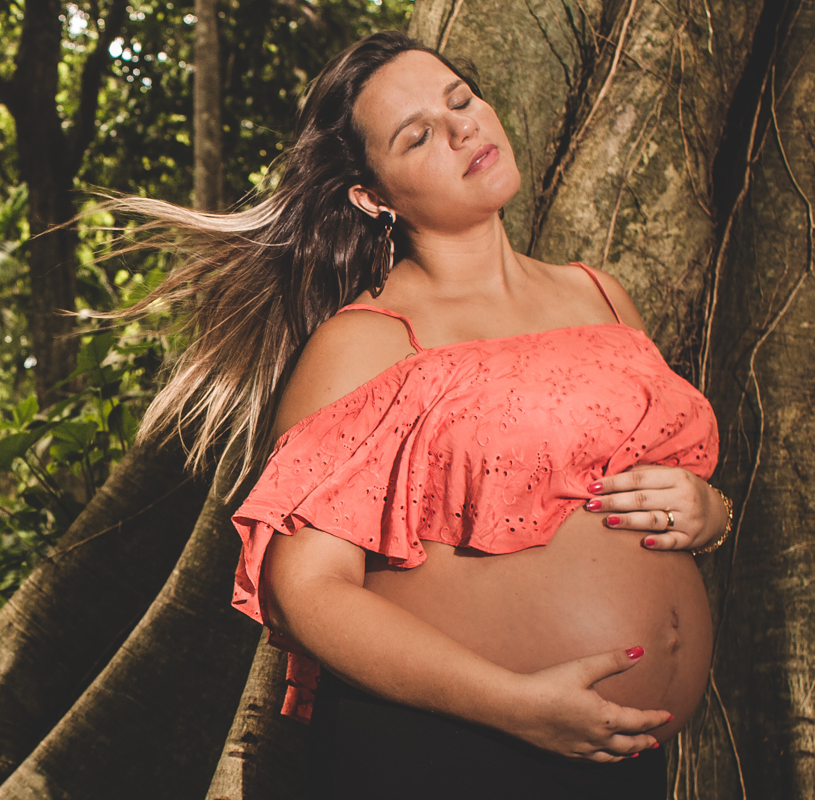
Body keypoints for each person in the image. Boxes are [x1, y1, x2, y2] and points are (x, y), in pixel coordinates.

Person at [106, 31, 732, 800]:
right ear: (373, 197)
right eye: (418, 134)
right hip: (450, 751)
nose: (462, 128)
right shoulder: (364, 341)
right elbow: (304, 591)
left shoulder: (598, 295)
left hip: (619, 761)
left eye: (460, 101)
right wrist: (518, 706)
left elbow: (640, 492)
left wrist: (707, 509)